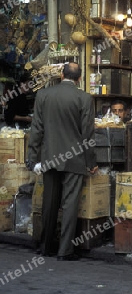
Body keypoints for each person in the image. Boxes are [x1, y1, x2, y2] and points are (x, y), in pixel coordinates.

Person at [26, 62, 98, 261]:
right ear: (80, 79)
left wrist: (32, 159)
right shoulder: (84, 98)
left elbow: (37, 130)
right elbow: (87, 135)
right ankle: (65, 250)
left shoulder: (43, 95)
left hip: (50, 158)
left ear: (61, 74)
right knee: (70, 204)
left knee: (49, 203)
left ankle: (45, 246)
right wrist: (91, 162)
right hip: (75, 159)